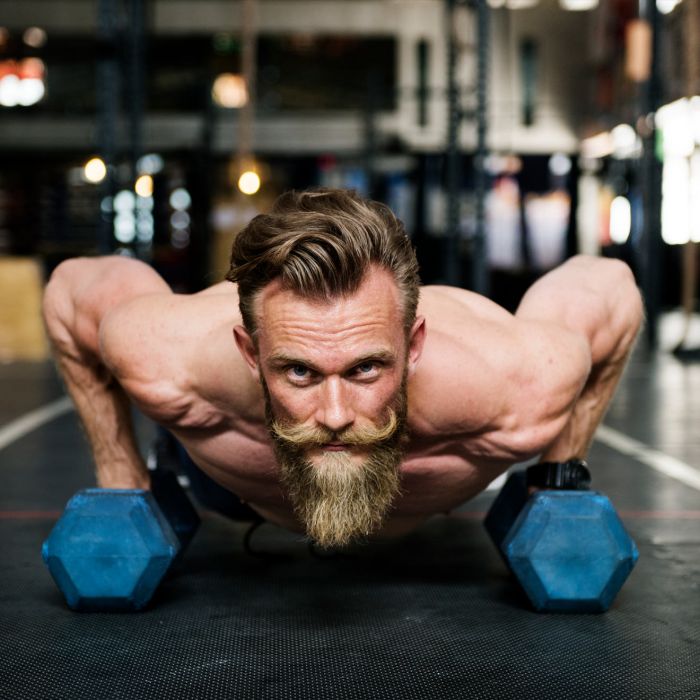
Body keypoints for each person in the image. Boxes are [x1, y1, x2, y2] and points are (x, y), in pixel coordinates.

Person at [42, 188, 644, 549]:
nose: (334, 416)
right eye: (299, 373)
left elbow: (609, 286)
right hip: (229, 490)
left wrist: (558, 475)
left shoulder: (517, 384)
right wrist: (120, 479)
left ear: (413, 348)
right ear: (251, 355)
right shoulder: (169, 356)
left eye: (365, 370)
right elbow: (72, 289)